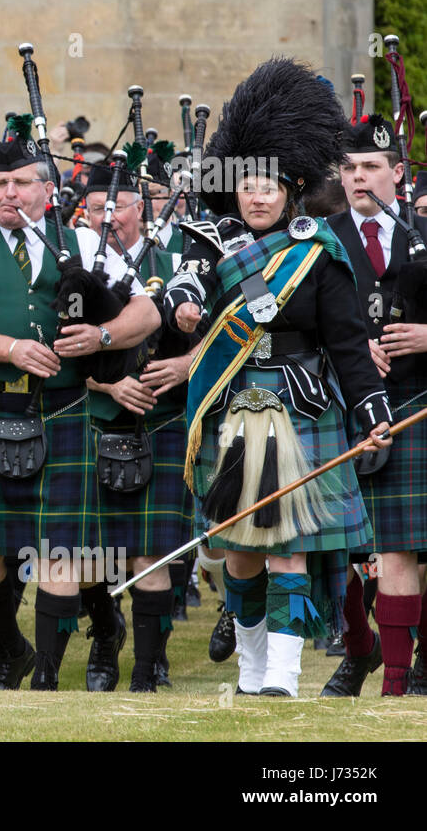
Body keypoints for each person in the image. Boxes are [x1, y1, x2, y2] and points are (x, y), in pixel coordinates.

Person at [165, 58, 392, 697]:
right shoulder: (213, 246)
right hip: (232, 403)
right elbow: (184, 290)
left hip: (303, 407)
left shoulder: (318, 251)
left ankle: (284, 679)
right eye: (248, 187)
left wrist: (373, 412)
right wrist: (182, 305)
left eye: (270, 187)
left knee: (291, 545)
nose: (258, 197)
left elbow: (348, 345)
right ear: (234, 190)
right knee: (241, 553)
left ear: (292, 190)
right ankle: (250, 665)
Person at [0, 132, 159, 690]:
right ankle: (12, 651)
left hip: (64, 408)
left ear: (46, 189)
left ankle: (47, 678)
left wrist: (102, 335)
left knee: (62, 552)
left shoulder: (82, 243)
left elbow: (147, 312)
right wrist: (8, 348)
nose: (7, 193)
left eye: (20, 183)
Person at [319, 113, 427, 696]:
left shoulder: (425, 232)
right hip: (344, 405)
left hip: (420, 401)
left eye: (371, 168)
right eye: (351, 168)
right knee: (342, 548)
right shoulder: (319, 238)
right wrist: (350, 349)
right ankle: (360, 652)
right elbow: (292, 321)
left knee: (402, 545)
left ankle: (403, 678)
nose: (359, 179)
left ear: (397, 172)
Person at [82, 155, 198, 691]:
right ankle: (105, 640)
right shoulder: (81, 264)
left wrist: (184, 365)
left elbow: (231, 334)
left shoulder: (183, 256)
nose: (108, 216)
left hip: (167, 418)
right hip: (93, 417)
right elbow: (56, 352)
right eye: (97, 207)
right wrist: (108, 384)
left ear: (142, 207)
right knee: (88, 552)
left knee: (154, 549)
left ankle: (150, 667)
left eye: (118, 206)